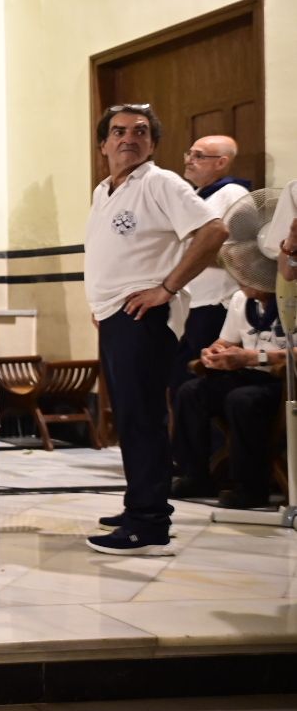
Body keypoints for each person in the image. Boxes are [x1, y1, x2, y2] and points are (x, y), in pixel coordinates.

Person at [85, 105, 227, 555]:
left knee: (143, 417)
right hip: (115, 315)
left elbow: (214, 230)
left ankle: (149, 522)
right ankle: (139, 504)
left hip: (143, 318)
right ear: (104, 143)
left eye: (141, 132)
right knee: (129, 417)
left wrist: (166, 288)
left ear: (153, 143)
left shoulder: (161, 182)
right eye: (119, 131)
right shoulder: (104, 190)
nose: (130, 138)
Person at [172, 285, 287, 509]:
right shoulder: (240, 298)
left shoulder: (289, 297)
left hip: (283, 380)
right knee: (191, 393)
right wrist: (213, 352)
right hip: (247, 373)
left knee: (242, 400)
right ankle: (196, 476)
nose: (242, 281)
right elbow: (226, 341)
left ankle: (251, 488)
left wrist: (256, 357)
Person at [171, 135, 249, 395]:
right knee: (178, 379)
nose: (189, 160)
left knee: (202, 382)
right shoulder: (196, 196)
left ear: (222, 162)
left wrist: (197, 252)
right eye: (189, 154)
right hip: (192, 302)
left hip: (217, 303)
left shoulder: (233, 194)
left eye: (199, 156)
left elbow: (244, 252)